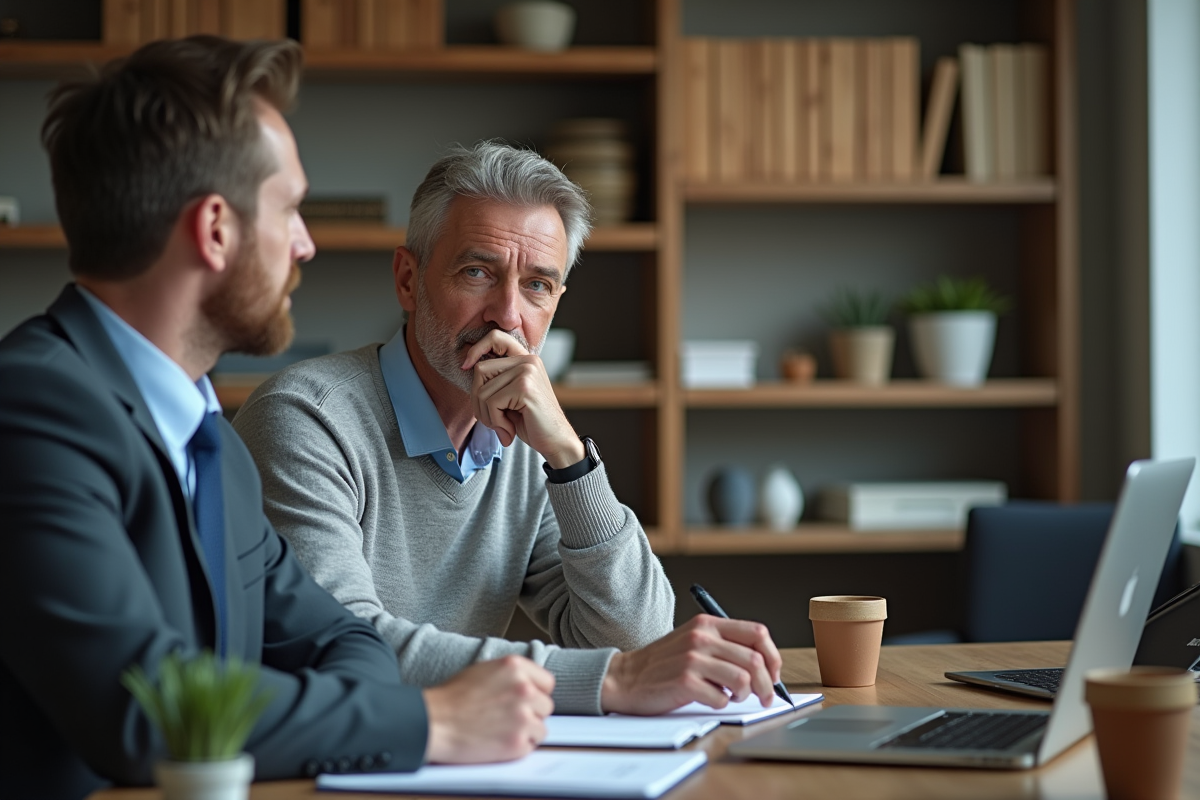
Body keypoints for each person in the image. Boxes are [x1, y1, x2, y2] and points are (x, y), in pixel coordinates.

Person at [0, 38, 553, 800]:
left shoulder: (212, 444)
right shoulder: (31, 411)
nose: (307, 243)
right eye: (290, 208)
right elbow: (146, 708)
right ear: (216, 228)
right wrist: (430, 722)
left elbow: (341, 639)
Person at [233, 141, 785, 717]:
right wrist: (609, 680)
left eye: (537, 286)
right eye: (477, 272)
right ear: (407, 280)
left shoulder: (524, 443)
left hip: (474, 759)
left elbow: (638, 641)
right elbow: (344, 649)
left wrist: (570, 460)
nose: (508, 314)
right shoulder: (306, 418)